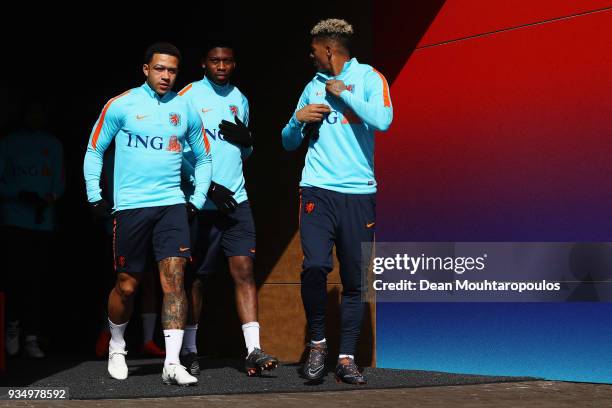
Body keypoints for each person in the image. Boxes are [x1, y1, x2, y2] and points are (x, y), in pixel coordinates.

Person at [83, 42, 212, 386]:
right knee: (127, 287)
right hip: (130, 207)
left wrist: (197, 199)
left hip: (171, 205)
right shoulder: (121, 104)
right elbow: (95, 149)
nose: (166, 76)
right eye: (160, 69)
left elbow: (203, 158)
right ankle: (117, 345)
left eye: (171, 70)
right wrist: (95, 196)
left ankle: (172, 362)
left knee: (174, 281)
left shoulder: (185, 108)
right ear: (146, 69)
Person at [281, 19, 393, 384]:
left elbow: (384, 120)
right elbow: (287, 142)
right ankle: (317, 344)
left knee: (355, 279)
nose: (310, 56)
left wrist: (344, 93)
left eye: (314, 50)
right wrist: (297, 121)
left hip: (359, 193)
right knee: (314, 266)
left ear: (329, 49)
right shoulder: (310, 87)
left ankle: (346, 358)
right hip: (317, 189)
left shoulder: (371, 78)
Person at [178, 42, 278, 376]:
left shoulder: (240, 98)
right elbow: (175, 151)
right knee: (196, 279)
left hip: (237, 200)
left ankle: (253, 350)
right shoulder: (188, 96)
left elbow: (241, 153)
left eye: (227, 61)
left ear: (234, 65)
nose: (221, 66)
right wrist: (205, 185)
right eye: (215, 61)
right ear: (203, 63)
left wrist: (248, 141)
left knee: (244, 270)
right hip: (201, 202)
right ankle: (189, 351)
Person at [0, 99, 65, 358]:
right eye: (31, 111)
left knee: (37, 279)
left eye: (40, 111)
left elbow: (60, 181)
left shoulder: (52, 143)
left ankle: (32, 335)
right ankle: (12, 328)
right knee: (13, 276)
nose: (35, 116)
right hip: (14, 219)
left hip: (42, 221)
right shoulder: (8, 142)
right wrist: (19, 194)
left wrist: (49, 198)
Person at [93, 143, 166, 359]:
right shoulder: (107, 157)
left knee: (150, 281)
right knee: (122, 284)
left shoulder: (149, 150)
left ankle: (148, 341)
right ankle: (107, 334)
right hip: (118, 226)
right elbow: (99, 190)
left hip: (149, 224)